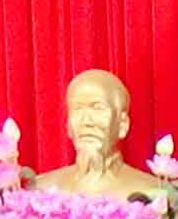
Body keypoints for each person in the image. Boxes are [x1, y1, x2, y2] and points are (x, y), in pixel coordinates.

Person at [35, 69, 169, 198]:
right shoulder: (40, 190)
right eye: (78, 108)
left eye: (97, 108)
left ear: (122, 124)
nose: (86, 121)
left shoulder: (154, 194)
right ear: (68, 125)